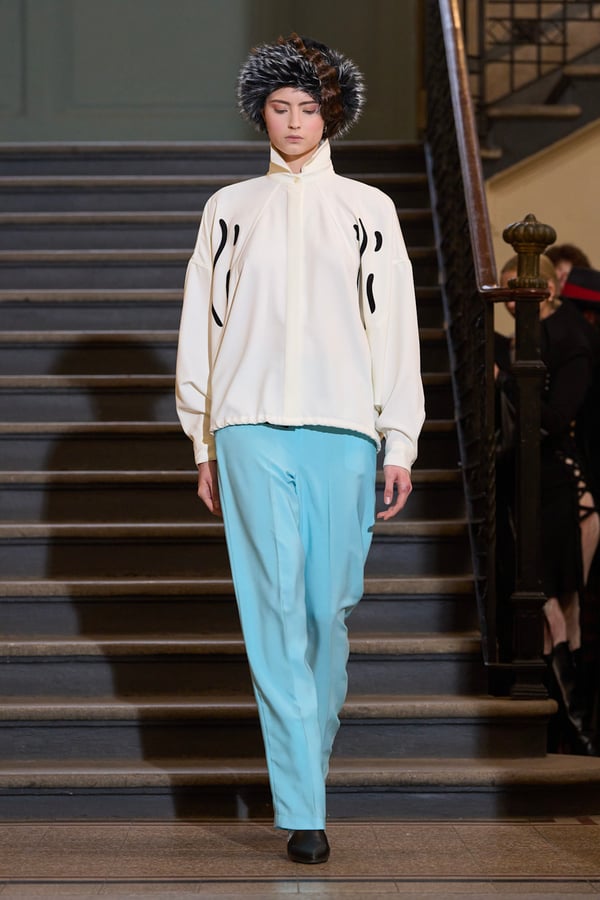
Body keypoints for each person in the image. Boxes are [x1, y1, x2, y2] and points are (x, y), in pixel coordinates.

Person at [175, 34, 425, 864]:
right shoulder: (229, 208)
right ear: (260, 113)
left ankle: (305, 779)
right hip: (246, 427)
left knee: (326, 612)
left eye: (308, 108)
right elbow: (202, 327)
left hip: (344, 429)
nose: (292, 122)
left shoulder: (368, 209)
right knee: (272, 612)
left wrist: (399, 437)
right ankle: (304, 810)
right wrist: (204, 439)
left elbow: (394, 327)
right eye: (279, 108)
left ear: (331, 115)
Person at [496, 255, 599, 754]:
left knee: (564, 614)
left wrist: (506, 381)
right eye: (508, 292)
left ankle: (579, 733)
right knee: (551, 614)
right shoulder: (517, 340)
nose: (515, 301)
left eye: (523, 290)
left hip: (564, 491)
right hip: (534, 488)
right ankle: (570, 733)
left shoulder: (568, 335)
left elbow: (555, 418)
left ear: (549, 290)